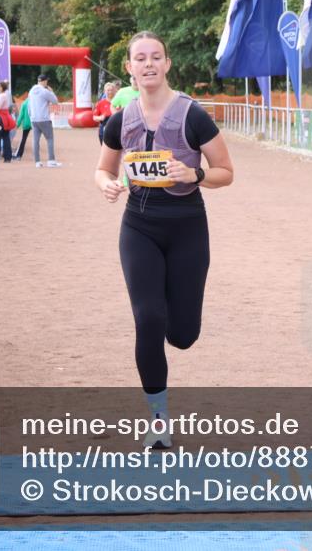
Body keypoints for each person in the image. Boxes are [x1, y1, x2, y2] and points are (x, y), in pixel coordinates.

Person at [95, 31, 234, 449]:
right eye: (141, 58)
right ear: (130, 67)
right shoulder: (121, 120)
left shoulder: (193, 116)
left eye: (156, 57)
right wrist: (106, 183)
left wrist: (194, 174)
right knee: (148, 319)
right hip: (138, 227)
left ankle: (177, 325)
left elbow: (226, 171)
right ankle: (158, 421)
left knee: (183, 335)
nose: (149, 64)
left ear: (168, 64)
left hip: (188, 226)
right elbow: (102, 169)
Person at [28, 74, 61, 167]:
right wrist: (52, 91)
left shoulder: (31, 91)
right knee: (50, 139)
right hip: (44, 118)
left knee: (35, 140)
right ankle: (51, 160)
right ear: (44, 81)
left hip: (34, 119)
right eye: (46, 81)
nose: (47, 82)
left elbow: (28, 105)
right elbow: (55, 101)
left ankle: (37, 162)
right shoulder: (45, 91)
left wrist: (31, 116)